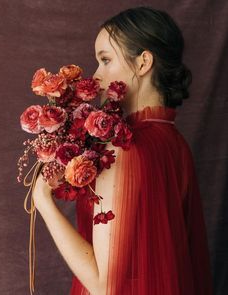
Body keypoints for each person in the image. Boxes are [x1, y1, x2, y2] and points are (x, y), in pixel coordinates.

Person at [33, 6, 214, 295]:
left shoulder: (122, 149)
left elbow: (104, 285)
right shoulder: (174, 142)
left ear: (143, 62)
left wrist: (42, 200)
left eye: (105, 60)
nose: (96, 75)